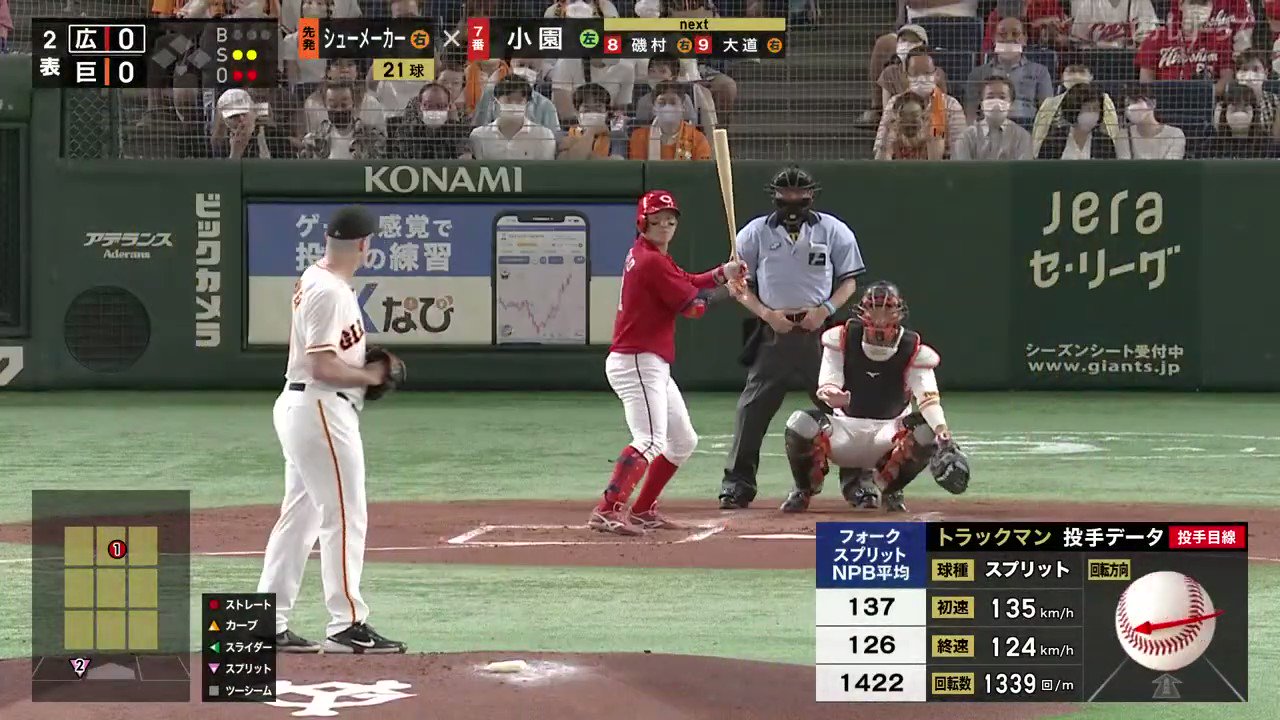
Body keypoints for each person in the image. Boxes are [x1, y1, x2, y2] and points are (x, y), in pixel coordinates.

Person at [257, 205, 407, 655]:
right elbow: (322, 365)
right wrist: (369, 375)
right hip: (321, 407)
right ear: (364, 245)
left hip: (305, 406)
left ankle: (266, 623)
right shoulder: (330, 291)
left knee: (299, 519)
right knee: (344, 514)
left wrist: (359, 368)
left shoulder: (317, 278)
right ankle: (347, 624)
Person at [590, 191, 746, 535]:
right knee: (649, 440)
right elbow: (693, 307)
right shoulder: (651, 261)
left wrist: (723, 273)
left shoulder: (651, 255)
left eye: (670, 221)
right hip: (637, 360)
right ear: (642, 223)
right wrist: (729, 292)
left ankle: (643, 510)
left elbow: (686, 281)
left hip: (649, 362)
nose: (664, 226)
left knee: (683, 441)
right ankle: (608, 510)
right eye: (657, 221)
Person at [719, 166, 866, 510]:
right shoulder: (754, 233)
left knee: (843, 409)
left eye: (800, 194)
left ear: (812, 195)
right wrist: (767, 314)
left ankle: (859, 484)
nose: (793, 200)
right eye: (785, 194)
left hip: (820, 336)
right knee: (751, 410)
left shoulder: (834, 230)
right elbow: (738, 286)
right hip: (775, 333)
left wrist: (825, 310)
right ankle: (737, 485)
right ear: (774, 196)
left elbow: (849, 282)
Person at [780, 282, 970, 513]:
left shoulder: (913, 350)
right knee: (800, 423)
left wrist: (943, 434)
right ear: (864, 310)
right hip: (845, 430)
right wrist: (831, 394)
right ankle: (804, 487)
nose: (880, 317)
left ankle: (891, 487)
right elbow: (828, 381)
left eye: (886, 308)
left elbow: (928, 400)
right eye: (874, 308)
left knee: (926, 430)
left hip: (889, 435)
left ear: (898, 311)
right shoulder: (842, 338)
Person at [954, 78, 1035, 160]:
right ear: (981, 104)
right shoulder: (966, 137)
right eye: (990, 97)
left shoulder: (1022, 137)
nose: (996, 103)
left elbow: (1024, 167)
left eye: (1002, 97)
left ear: (1011, 104)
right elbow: (961, 167)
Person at [1037, 82, 1116, 159]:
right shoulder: (1054, 140)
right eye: (1087, 109)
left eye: (1095, 109)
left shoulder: (1105, 142)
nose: (1092, 114)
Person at [1115, 85, 1187, 159]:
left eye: (1136, 101)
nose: (1130, 108)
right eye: (1127, 105)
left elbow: (1170, 165)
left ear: (1152, 103)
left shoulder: (1175, 135)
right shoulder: (1123, 136)